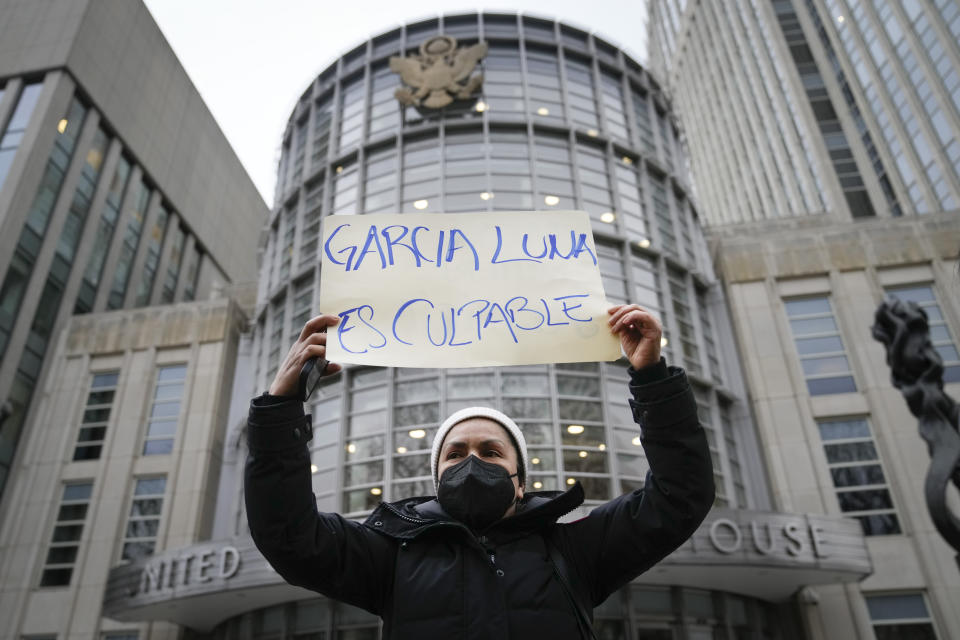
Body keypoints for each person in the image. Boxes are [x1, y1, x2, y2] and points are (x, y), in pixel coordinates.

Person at [245, 304, 714, 639]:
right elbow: (290, 536)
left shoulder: (575, 549)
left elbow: (679, 496)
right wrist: (281, 409)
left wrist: (651, 379)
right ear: (436, 477)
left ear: (520, 478)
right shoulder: (389, 556)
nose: (472, 462)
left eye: (491, 452)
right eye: (455, 453)